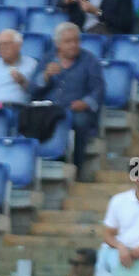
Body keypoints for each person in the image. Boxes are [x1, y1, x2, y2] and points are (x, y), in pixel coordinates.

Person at [29, 22, 103, 174]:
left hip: (75, 110)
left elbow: (99, 89)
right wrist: (45, 76)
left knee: (80, 121)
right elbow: (33, 89)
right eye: (68, 41)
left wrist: (86, 102)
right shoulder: (47, 59)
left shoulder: (90, 60)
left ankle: (77, 168)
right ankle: (40, 166)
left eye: (76, 41)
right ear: (58, 44)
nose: (73, 45)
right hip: (49, 110)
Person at [0, 28, 37, 113]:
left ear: (18, 45)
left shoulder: (32, 64)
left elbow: (37, 92)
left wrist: (23, 81)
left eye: (6, 44)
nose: (2, 48)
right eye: (0, 45)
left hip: (24, 110)